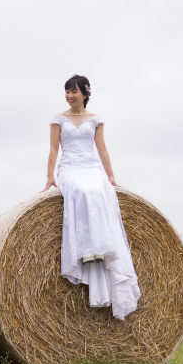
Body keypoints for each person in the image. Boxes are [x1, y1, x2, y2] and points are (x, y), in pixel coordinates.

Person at [42, 75, 140, 319]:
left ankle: (100, 249)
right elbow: (54, 149)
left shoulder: (96, 120)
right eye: (67, 91)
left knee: (98, 190)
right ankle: (85, 249)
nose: (69, 95)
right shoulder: (58, 120)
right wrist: (50, 176)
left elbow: (102, 149)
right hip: (69, 168)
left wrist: (111, 176)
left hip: (91, 166)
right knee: (83, 190)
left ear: (85, 93)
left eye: (74, 91)